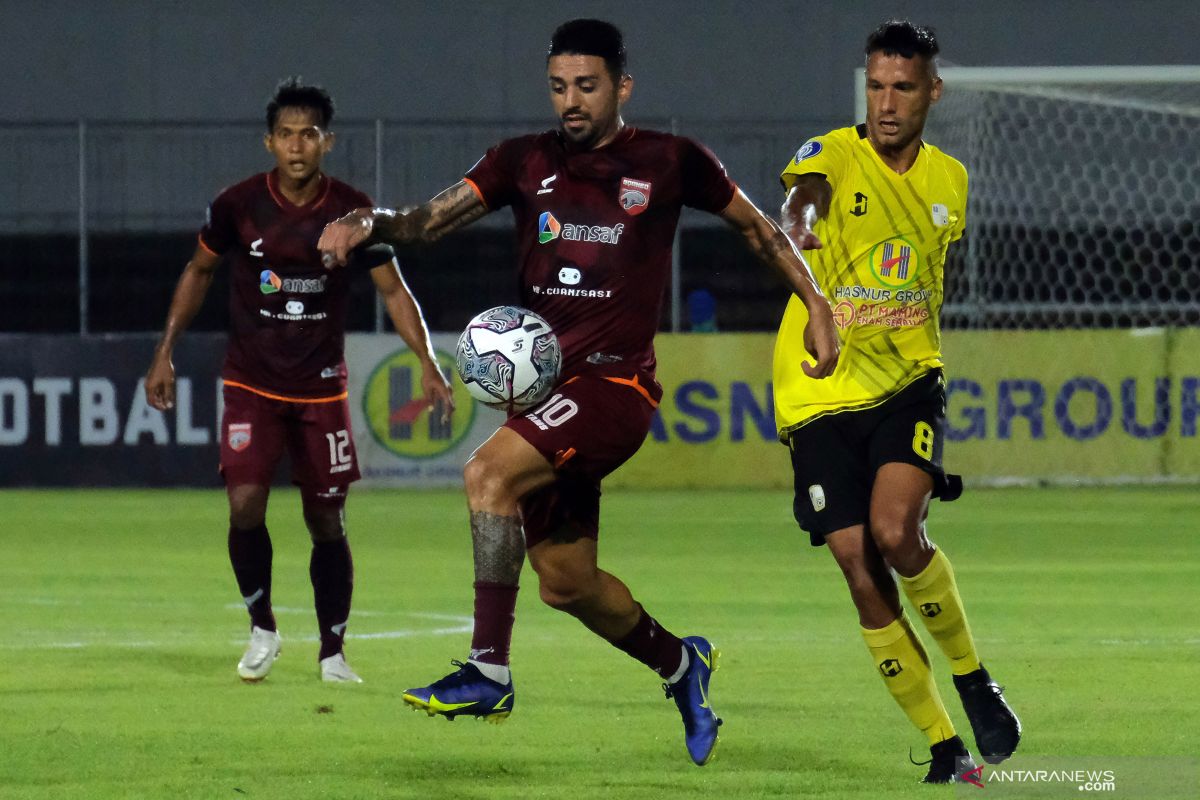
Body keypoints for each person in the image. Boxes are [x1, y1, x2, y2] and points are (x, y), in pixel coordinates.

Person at [319, 19, 839, 765]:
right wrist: (369, 220)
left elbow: (758, 231)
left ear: (622, 86)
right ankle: (681, 667)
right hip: (543, 395)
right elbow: (427, 223)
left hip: (614, 383)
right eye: (560, 85)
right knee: (566, 582)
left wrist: (816, 304)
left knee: (485, 474)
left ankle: (487, 671)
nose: (571, 100)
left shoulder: (670, 160)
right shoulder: (521, 161)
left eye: (587, 85)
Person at [772, 20, 1021, 783]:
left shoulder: (951, 180)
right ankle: (945, 744)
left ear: (931, 92)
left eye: (902, 88)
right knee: (855, 561)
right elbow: (799, 209)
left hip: (908, 377)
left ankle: (974, 676)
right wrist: (805, 237)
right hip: (818, 384)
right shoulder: (830, 154)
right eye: (876, 86)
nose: (885, 103)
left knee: (894, 532)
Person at [145, 78, 453, 684]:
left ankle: (333, 652)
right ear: (269, 143)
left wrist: (428, 361)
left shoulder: (353, 210)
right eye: (286, 134)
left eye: (308, 134)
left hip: (321, 390)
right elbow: (199, 271)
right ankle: (262, 627)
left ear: (326, 142)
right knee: (244, 505)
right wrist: (165, 351)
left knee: (327, 522)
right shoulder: (237, 206)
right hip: (252, 386)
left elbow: (393, 289)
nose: (296, 145)